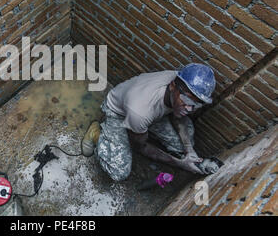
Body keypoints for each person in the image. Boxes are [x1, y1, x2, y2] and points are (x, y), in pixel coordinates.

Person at [81, 63, 217, 181]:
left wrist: (189, 150)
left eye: (196, 104)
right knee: (119, 172)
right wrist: (180, 164)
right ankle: (97, 134)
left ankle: (180, 150)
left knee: (184, 141)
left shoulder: (182, 83)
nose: (189, 108)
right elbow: (141, 147)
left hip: (150, 112)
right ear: (172, 86)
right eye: (187, 100)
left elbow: (179, 116)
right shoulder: (140, 112)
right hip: (119, 113)